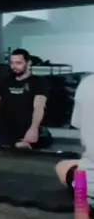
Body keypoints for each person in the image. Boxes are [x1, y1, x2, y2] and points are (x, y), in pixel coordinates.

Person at [0, 48, 52, 149]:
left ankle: (23, 141)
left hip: (28, 124)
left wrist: (33, 128)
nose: (14, 66)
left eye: (18, 63)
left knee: (23, 144)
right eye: (12, 63)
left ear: (28, 63)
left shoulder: (38, 82)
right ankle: (7, 141)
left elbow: (39, 106)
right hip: (9, 126)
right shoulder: (5, 82)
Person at [55, 73, 94, 201]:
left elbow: (78, 124)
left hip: (89, 187)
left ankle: (85, 199)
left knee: (62, 166)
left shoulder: (87, 83)